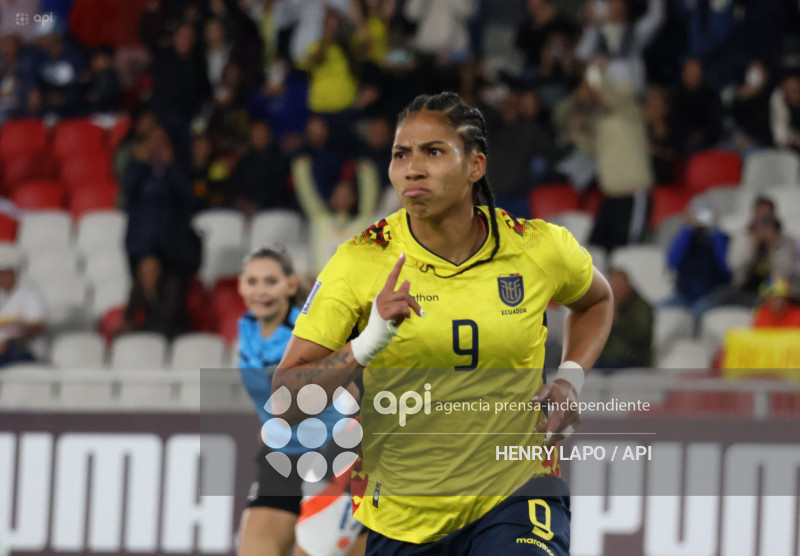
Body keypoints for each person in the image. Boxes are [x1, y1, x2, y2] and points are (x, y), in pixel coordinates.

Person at [274, 92, 614, 555]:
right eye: (401, 154)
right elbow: (288, 397)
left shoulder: (537, 247)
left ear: (476, 166)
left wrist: (570, 381)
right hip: (404, 518)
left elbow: (596, 300)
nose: (413, 168)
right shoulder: (360, 261)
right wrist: (365, 345)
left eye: (433, 152)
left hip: (516, 489)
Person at [236, 248, 366, 556]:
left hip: (334, 455)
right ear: (240, 285)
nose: (260, 291)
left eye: (270, 281)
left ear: (291, 286)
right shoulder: (247, 328)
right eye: (252, 281)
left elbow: (358, 381)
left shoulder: (314, 331)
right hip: (281, 457)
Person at [595, 268, 653, 370]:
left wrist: (617, 320)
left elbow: (641, 334)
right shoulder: (608, 305)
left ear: (628, 285)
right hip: (608, 358)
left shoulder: (641, 307)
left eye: (619, 286)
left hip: (633, 357)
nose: (616, 290)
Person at [0, 249, 45, 368]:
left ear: (14, 274)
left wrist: (11, 342)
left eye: (6, 273)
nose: (3, 277)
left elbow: (37, 326)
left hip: (22, 349)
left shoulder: (28, 295)